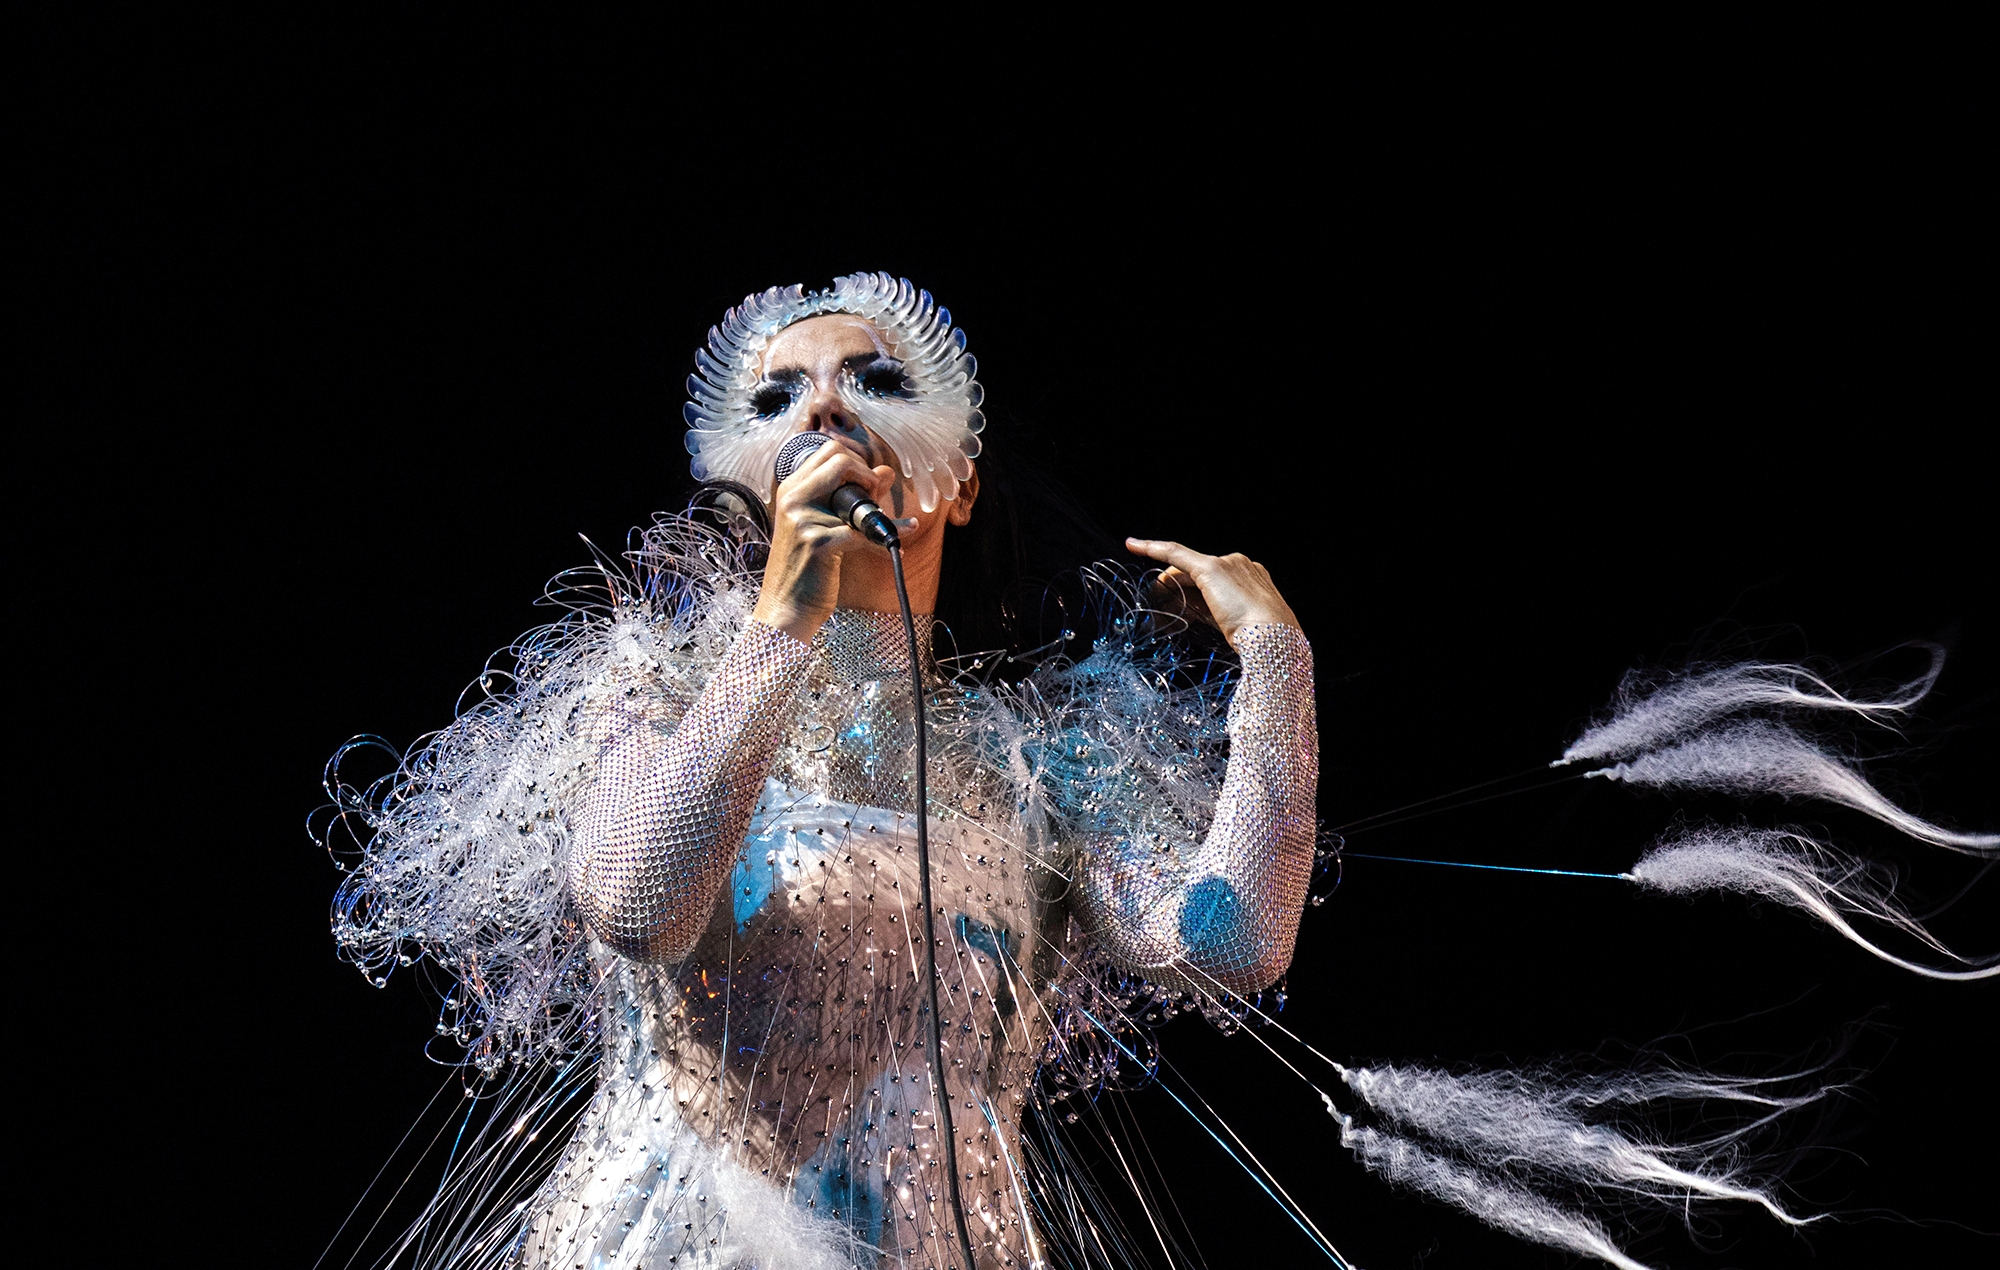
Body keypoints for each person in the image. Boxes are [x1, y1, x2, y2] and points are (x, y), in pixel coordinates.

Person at [329, 273, 1319, 1269]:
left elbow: (1230, 942)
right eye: (775, 398)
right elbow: (636, 900)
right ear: (755, 481)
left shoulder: (1036, 759)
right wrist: (782, 619)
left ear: (962, 482)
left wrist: (1276, 661)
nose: (823, 406)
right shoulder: (652, 693)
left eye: (874, 378)